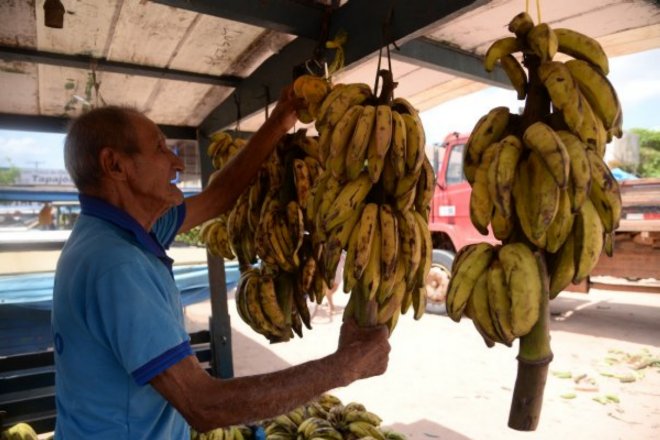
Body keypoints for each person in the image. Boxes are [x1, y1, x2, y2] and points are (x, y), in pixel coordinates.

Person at [51, 86, 390, 440]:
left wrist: (280, 121)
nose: (177, 162)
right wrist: (345, 366)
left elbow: (218, 198)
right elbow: (203, 404)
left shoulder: (118, 231)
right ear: (115, 165)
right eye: (160, 149)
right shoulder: (117, 266)